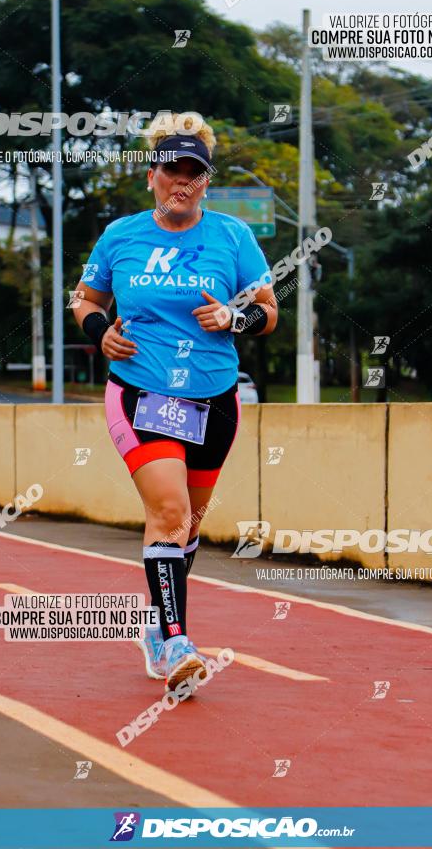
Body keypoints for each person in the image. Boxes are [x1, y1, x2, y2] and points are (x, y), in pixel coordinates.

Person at [72, 114, 277, 692]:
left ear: (206, 181)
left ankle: (158, 629)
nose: (180, 182)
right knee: (167, 513)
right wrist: (99, 331)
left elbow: (268, 311)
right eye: (171, 170)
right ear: (152, 176)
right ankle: (177, 642)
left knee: (188, 526)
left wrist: (234, 316)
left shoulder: (232, 237)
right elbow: (84, 299)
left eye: (193, 172)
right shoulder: (122, 235)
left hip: (214, 397)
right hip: (140, 390)